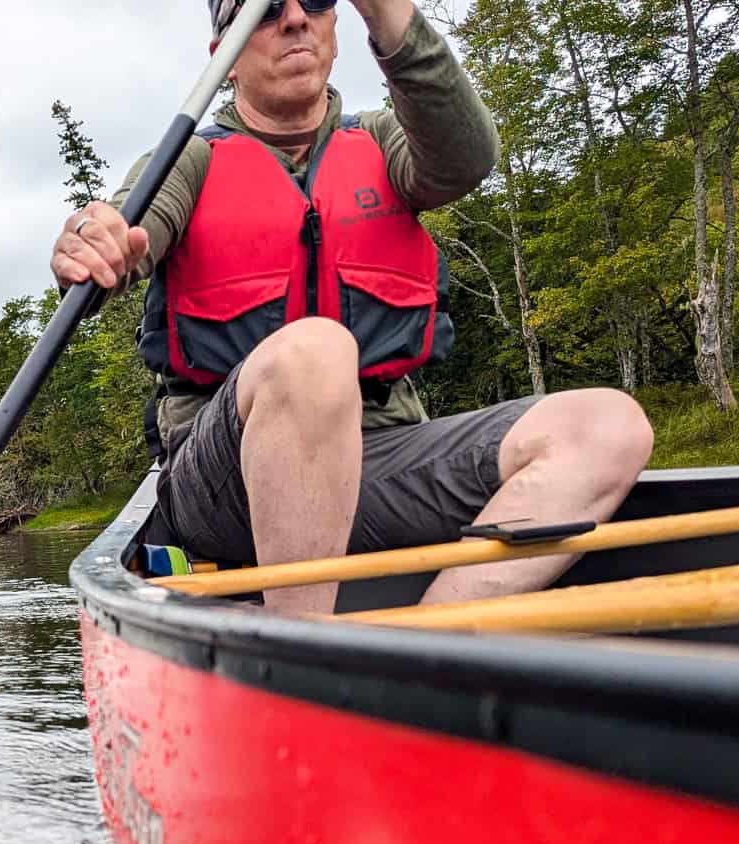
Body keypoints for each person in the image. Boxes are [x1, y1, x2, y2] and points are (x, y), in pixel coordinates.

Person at [49, 0, 653, 615]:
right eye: (262, 10)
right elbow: (124, 238)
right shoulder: (185, 162)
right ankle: (301, 653)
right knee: (315, 351)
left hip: (382, 462)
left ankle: (426, 648)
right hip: (222, 488)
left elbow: (465, 161)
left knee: (607, 424)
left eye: (314, 1)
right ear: (223, 57)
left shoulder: (386, 140)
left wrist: (387, 11)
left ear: (336, 28)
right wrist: (96, 244)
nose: (293, 19)